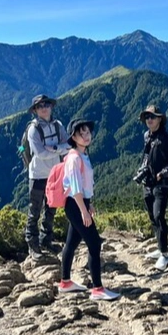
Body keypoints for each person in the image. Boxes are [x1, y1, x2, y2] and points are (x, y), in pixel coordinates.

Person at [57, 119, 120, 301]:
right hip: (76, 205)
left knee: (71, 243)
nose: (86, 136)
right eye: (81, 133)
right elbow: (75, 188)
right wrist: (84, 210)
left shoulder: (81, 154)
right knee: (94, 243)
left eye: (87, 133)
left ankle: (65, 282)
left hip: (78, 203)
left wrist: (88, 202)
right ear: (73, 137)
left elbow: (82, 186)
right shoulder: (75, 157)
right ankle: (97, 289)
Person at [24, 94, 70, 260]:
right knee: (34, 210)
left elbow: (69, 145)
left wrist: (54, 148)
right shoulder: (33, 129)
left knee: (51, 208)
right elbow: (41, 154)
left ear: (51, 107)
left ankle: (46, 240)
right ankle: (33, 245)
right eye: (40, 106)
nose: (44, 107)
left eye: (46, 104)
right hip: (37, 175)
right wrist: (59, 148)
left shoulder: (58, 126)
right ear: (35, 110)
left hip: (55, 174)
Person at [136, 105, 168, 270]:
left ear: (160, 119)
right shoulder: (147, 135)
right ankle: (160, 247)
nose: (149, 120)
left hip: (162, 184)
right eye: (147, 117)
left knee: (158, 215)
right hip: (148, 182)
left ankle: (164, 254)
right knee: (152, 217)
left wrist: (162, 173)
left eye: (152, 117)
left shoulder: (167, 139)